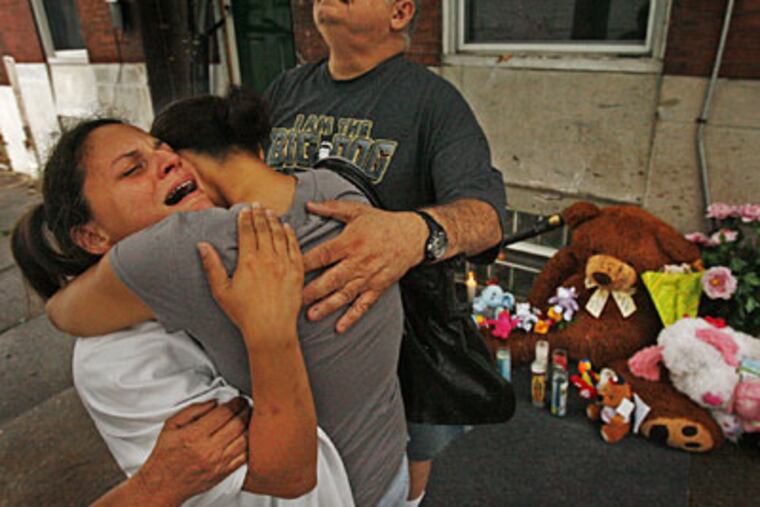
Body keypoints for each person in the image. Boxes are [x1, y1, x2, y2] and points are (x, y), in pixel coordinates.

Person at [42, 88, 408, 506]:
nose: (169, 160)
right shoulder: (328, 187)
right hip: (385, 466)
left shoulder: (196, 246)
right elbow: (281, 480)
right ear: (91, 235)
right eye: (132, 170)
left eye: (163, 148)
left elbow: (61, 312)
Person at [264, 1, 508, 503]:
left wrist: (413, 232)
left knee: (396, 478)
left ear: (399, 12)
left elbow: (487, 218)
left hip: (397, 342)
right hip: (281, 324)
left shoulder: (432, 101)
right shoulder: (286, 88)